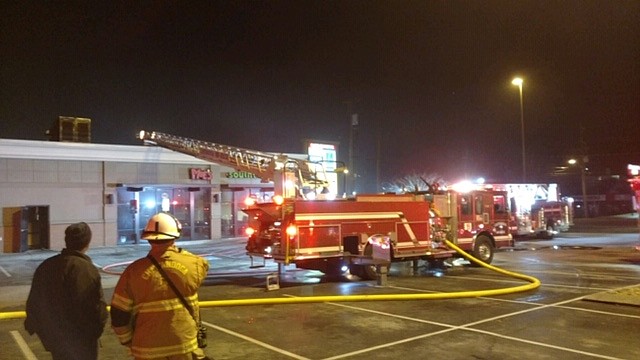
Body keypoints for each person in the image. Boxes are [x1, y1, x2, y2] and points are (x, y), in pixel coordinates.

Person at [111, 212, 210, 360]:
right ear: (175, 236)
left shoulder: (133, 272)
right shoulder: (194, 263)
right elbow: (200, 267)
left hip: (147, 349)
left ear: (149, 240)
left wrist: (128, 341)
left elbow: (118, 314)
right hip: (184, 345)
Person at [24, 222, 108, 360]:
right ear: (87, 243)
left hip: (56, 341)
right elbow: (97, 309)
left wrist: (43, 333)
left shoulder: (46, 267)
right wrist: (94, 333)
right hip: (83, 341)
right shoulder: (87, 270)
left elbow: (34, 304)